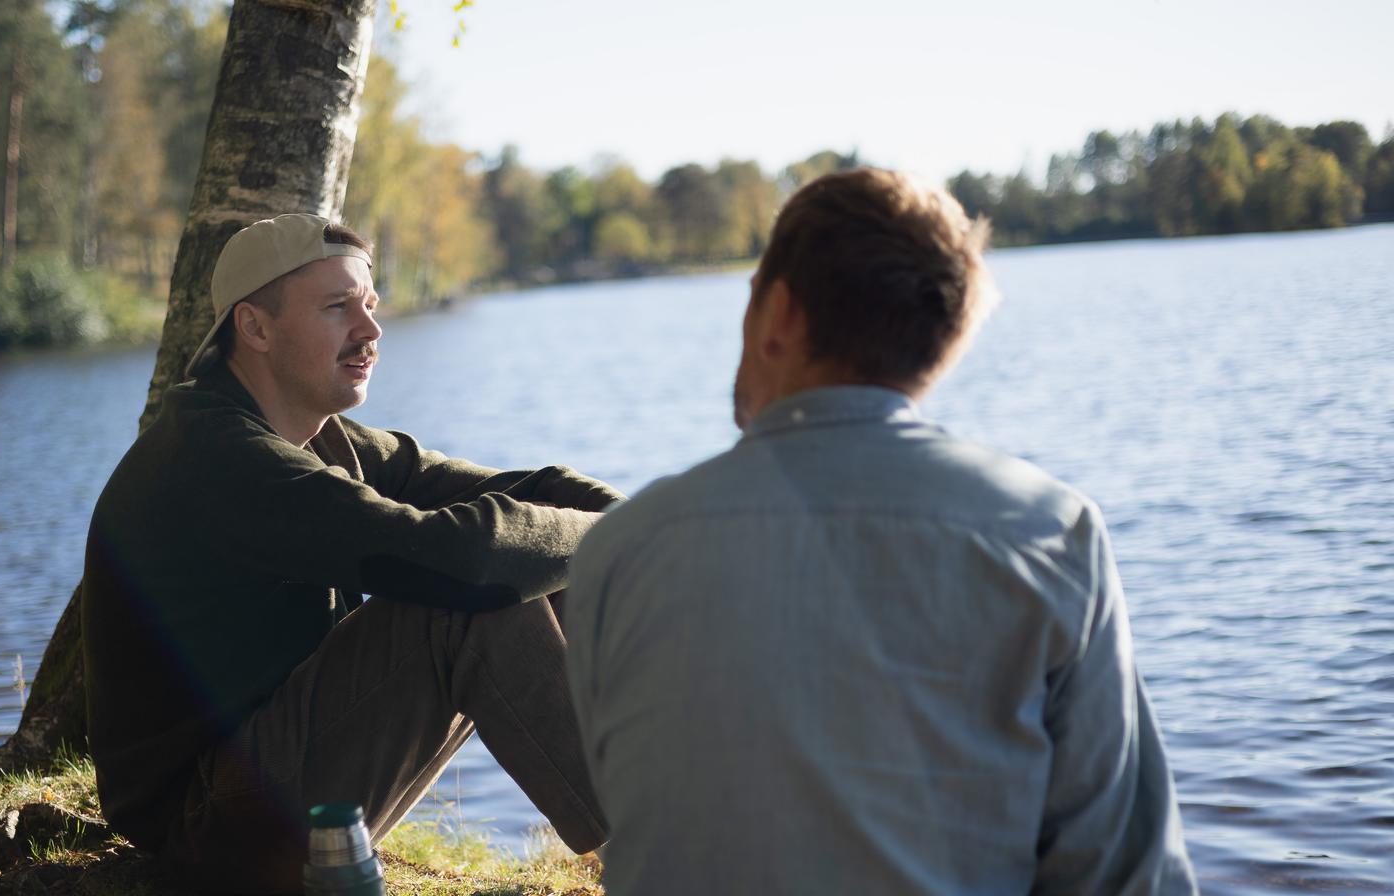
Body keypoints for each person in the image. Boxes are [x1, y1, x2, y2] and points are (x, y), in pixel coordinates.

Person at [564, 169, 1198, 894]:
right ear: (944, 342)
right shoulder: (1051, 536)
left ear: (779, 315)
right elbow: (1127, 876)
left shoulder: (621, 551)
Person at [80, 214, 616, 893]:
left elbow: (523, 492)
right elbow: (457, 560)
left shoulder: (321, 437)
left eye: (369, 305)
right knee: (466, 601)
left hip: (267, 787)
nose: (370, 331)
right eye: (338, 308)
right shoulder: (219, 458)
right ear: (256, 328)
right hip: (208, 834)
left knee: (541, 552)